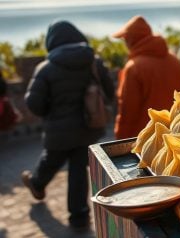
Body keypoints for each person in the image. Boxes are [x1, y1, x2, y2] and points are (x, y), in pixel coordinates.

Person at [21, 21, 115, 231]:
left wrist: (50, 112)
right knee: (78, 170)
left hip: (58, 131)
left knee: (51, 159)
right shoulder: (94, 62)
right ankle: (79, 217)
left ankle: (36, 184)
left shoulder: (45, 68)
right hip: (88, 127)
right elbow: (110, 92)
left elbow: (33, 103)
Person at [112, 15, 180, 139]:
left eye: (125, 39)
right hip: (173, 132)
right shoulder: (174, 60)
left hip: (144, 138)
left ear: (131, 40)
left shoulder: (134, 67)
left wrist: (120, 139)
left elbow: (127, 111)